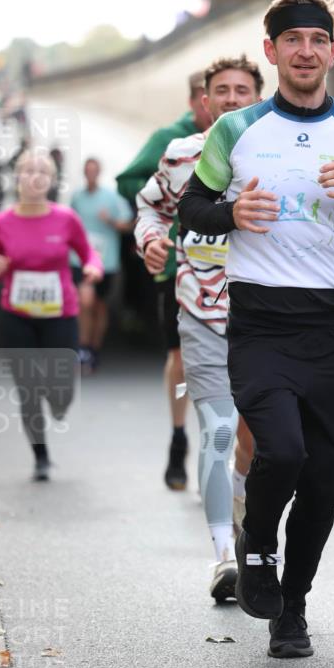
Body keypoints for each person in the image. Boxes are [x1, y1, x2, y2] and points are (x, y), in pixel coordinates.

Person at [178, 0, 334, 658]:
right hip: (259, 317)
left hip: (333, 324)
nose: (304, 51)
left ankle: (293, 610)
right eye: (292, 41)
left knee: (324, 485)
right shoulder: (235, 130)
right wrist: (230, 215)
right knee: (280, 450)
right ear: (270, 51)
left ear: (332, 52)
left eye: (316, 41)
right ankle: (256, 541)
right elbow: (191, 208)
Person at [136, 55, 263, 602]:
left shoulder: (278, 153)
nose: (231, 98)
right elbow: (150, 208)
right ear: (204, 101)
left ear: (258, 95)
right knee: (216, 429)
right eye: (221, 91)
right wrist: (151, 240)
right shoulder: (182, 155)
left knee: (254, 441)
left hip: (267, 317)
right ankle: (223, 558)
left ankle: (243, 530)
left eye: (242, 90)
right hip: (203, 313)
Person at [0, 147, 103, 481]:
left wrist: (91, 266)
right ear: (18, 178)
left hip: (60, 314)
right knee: (28, 388)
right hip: (16, 315)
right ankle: (40, 455)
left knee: (62, 389)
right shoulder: (2, 224)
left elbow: (89, 253)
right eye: (28, 171)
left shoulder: (65, 219)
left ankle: (59, 403)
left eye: (42, 172)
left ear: (51, 180)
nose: (35, 177)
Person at [117, 73, 212, 491]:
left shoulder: (251, 137)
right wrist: (176, 193)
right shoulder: (171, 140)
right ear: (196, 102)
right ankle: (178, 436)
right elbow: (130, 183)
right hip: (178, 268)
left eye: (238, 93)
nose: (221, 105)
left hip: (234, 275)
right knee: (180, 356)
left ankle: (222, 449)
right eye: (211, 97)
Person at [70, 157, 134, 371]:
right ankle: (83, 347)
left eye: (94, 171)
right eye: (87, 171)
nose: (90, 175)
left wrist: (111, 221)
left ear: (99, 173)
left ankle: (94, 348)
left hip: (106, 261)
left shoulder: (111, 198)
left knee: (99, 305)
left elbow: (129, 224)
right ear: (83, 173)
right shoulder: (77, 198)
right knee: (84, 301)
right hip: (81, 258)